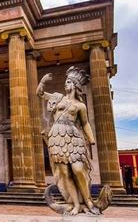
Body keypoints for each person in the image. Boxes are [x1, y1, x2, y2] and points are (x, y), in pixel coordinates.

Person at [38, 66, 100, 215]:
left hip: (72, 136)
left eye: (68, 82)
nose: (65, 84)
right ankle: (75, 204)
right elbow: (40, 93)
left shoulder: (80, 105)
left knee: (78, 169)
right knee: (65, 173)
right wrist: (42, 81)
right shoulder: (57, 98)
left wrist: (91, 139)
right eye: (65, 82)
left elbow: (85, 123)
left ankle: (88, 200)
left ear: (74, 85)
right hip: (57, 136)